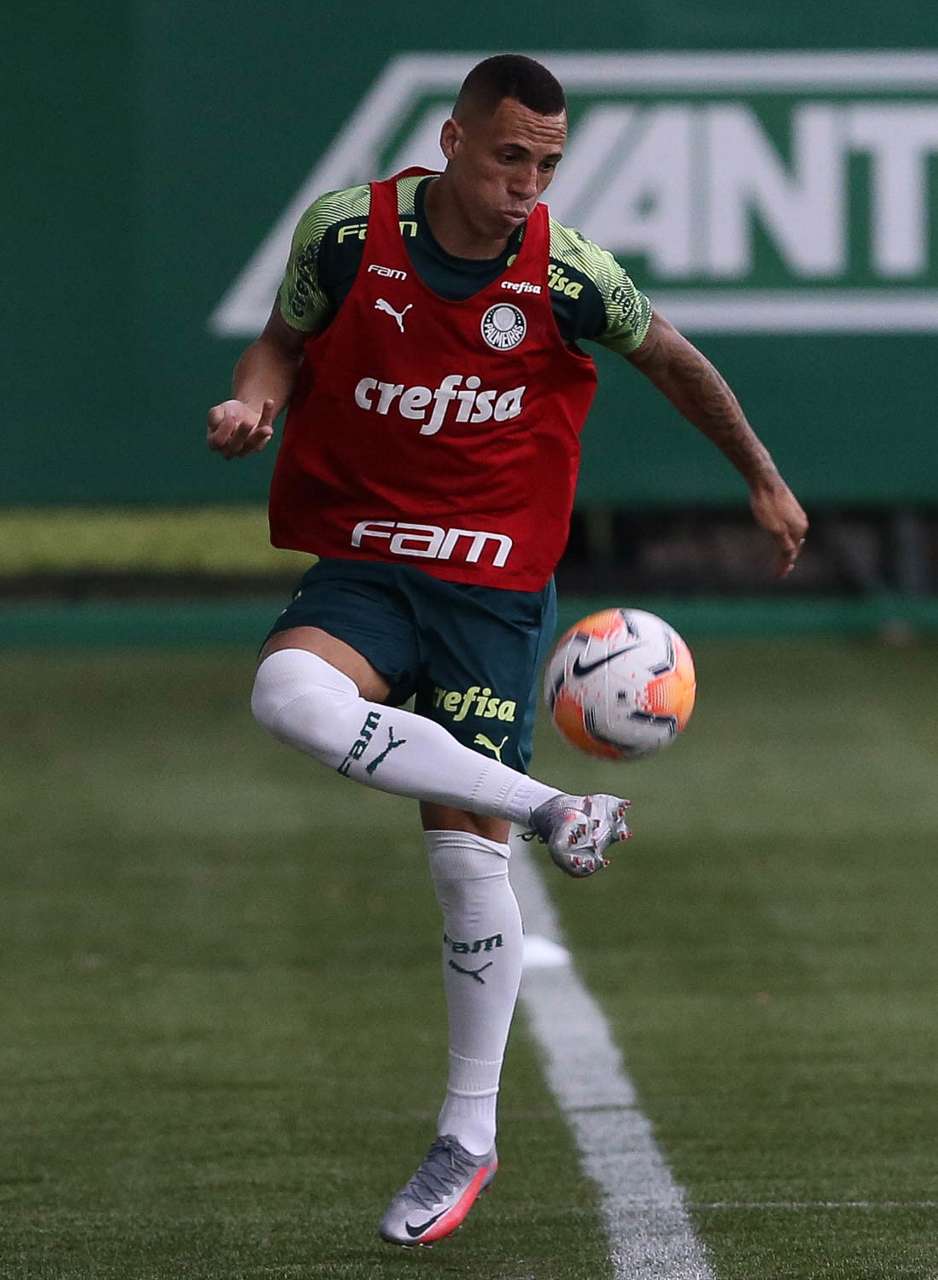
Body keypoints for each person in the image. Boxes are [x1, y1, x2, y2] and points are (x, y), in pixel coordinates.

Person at [207, 54, 808, 1248]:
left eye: (546, 161)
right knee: (285, 693)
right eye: (507, 156)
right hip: (371, 558)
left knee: (459, 859)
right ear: (451, 141)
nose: (526, 181)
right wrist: (254, 400)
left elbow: (674, 358)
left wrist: (761, 477)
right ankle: (551, 808)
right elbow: (279, 342)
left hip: (490, 584)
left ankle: (467, 1133)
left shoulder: (567, 272)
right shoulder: (346, 234)